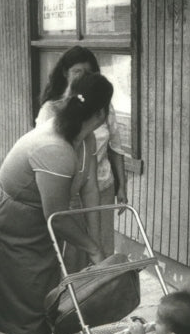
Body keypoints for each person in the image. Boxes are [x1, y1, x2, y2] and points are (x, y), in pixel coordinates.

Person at [0, 71, 114, 334]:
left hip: (39, 226)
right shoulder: (54, 147)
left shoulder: (84, 138)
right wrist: (92, 249)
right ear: (102, 111)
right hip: (12, 228)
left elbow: (90, 191)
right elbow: (58, 217)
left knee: (47, 300)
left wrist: (96, 245)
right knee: (31, 310)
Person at [36, 46, 128, 269]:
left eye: (88, 72)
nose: (83, 77)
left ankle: (99, 286)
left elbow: (115, 148)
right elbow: (46, 159)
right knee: (72, 254)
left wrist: (121, 187)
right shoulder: (52, 111)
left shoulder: (99, 117)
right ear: (65, 73)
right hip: (67, 191)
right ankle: (76, 288)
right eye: (77, 71)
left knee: (102, 246)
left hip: (99, 186)